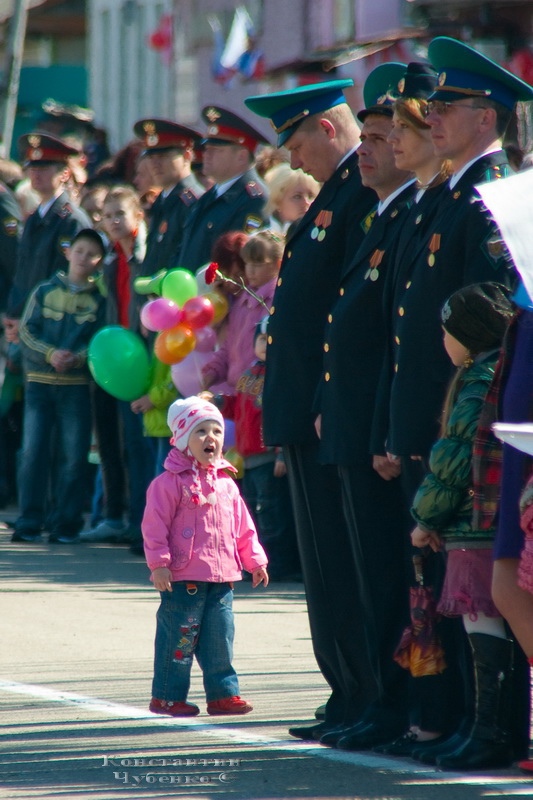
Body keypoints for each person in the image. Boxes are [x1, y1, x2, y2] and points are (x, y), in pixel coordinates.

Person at [383, 37, 533, 766]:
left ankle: (492, 726)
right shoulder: (450, 191)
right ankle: (463, 720)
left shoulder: (495, 195)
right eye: (433, 105)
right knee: (464, 583)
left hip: (484, 420)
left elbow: (493, 320)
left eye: (447, 106)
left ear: (488, 116)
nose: (431, 115)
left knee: (485, 581)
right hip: (448, 419)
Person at [244, 80, 377, 741]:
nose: (293, 162)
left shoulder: (359, 193)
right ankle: (346, 691)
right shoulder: (334, 197)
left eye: (298, 144)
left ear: (328, 130)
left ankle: (365, 694)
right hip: (304, 411)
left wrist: (325, 397)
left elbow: (346, 318)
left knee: (345, 565)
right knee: (324, 568)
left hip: (328, 410)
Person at [313, 64, 418, 752]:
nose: (369, 151)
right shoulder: (382, 212)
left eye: (381, 137)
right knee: (366, 574)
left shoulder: (413, 212)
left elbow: (395, 339)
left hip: (388, 428)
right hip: (358, 422)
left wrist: (383, 427)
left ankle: (397, 704)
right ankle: (375, 700)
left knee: (392, 577)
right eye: (370, 136)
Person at [410, 283, 515, 770]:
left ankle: (487, 732)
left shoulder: (478, 381)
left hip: (477, 522)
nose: (443, 340)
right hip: (499, 517)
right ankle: (489, 729)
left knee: (483, 619)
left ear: (469, 335)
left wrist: (425, 518)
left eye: (447, 331)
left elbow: (452, 461)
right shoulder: (506, 369)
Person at [142, 396, 268, 717]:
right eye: (200, 432)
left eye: (216, 431)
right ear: (182, 440)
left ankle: (223, 695)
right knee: (179, 642)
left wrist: (254, 560)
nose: (210, 438)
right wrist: (159, 564)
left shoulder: (226, 484)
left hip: (222, 578)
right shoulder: (167, 484)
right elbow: (154, 526)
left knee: (219, 642)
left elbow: (243, 527)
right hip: (184, 578)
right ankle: (167, 696)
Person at [12, 228, 106, 543]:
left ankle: (65, 525)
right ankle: (29, 521)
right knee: (33, 453)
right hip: (39, 383)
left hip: (76, 385)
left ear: (99, 262)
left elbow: (100, 342)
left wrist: (77, 358)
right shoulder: (43, 290)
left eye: (91, 253)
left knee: (74, 456)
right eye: (79, 250)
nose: (83, 257)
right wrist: (50, 353)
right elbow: (26, 333)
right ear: (68, 252)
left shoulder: (99, 299)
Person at [82, 186, 152, 549]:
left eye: (120, 214)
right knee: (119, 445)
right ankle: (121, 517)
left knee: (141, 447)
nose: (113, 222)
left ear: (138, 216)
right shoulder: (113, 259)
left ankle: (144, 524)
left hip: (142, 360)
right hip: (118, 360)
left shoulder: (146, 255)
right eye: (108, 216)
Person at [209, 316, 301, 581]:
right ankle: (254, 563)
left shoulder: (280, 376)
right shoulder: (249, 374)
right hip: (247, 457)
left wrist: (282, 452)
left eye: (271, 339)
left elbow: (284, 417)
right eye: (262, 339)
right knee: (250, 513)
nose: (266, 344)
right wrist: (218, 401)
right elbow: (239, 407)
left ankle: (279, 564)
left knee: (272, 513)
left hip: (267, 456)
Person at [4, 134, 92, 342]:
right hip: (25, 324)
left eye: (44, 168)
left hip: (53, 328)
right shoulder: (35, 218)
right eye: (32, 168)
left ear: (64, 174)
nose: (36, 174)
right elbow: (23, 274)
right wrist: (13, 313)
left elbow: (70, 280)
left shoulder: (72, 220)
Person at [178, 107, 270, 272]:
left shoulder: (254, 200)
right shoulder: (210, 196)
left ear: (241, 156)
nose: (206, 154)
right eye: (206, 148)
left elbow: (238, 263)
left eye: (216, 150)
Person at [201, 230, 282, 394]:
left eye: (258, 264)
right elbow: (228, 347)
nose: (250, 271)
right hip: (239, 394)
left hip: (261, 394)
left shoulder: (277, 302)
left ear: (277, 264)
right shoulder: (243, 301)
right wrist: (212, 372)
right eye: (247, 263)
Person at [132, 119, 205, 273]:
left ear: (186, 155)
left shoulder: (193, 201)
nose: (155, 164)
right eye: (151, 157)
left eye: (163, 156)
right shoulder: (163, 200)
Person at [263, 164, 320, 234]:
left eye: (311, 196)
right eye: (297, 197)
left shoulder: (321, 236)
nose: (306, 202)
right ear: (277, 201)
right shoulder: (260, 240)